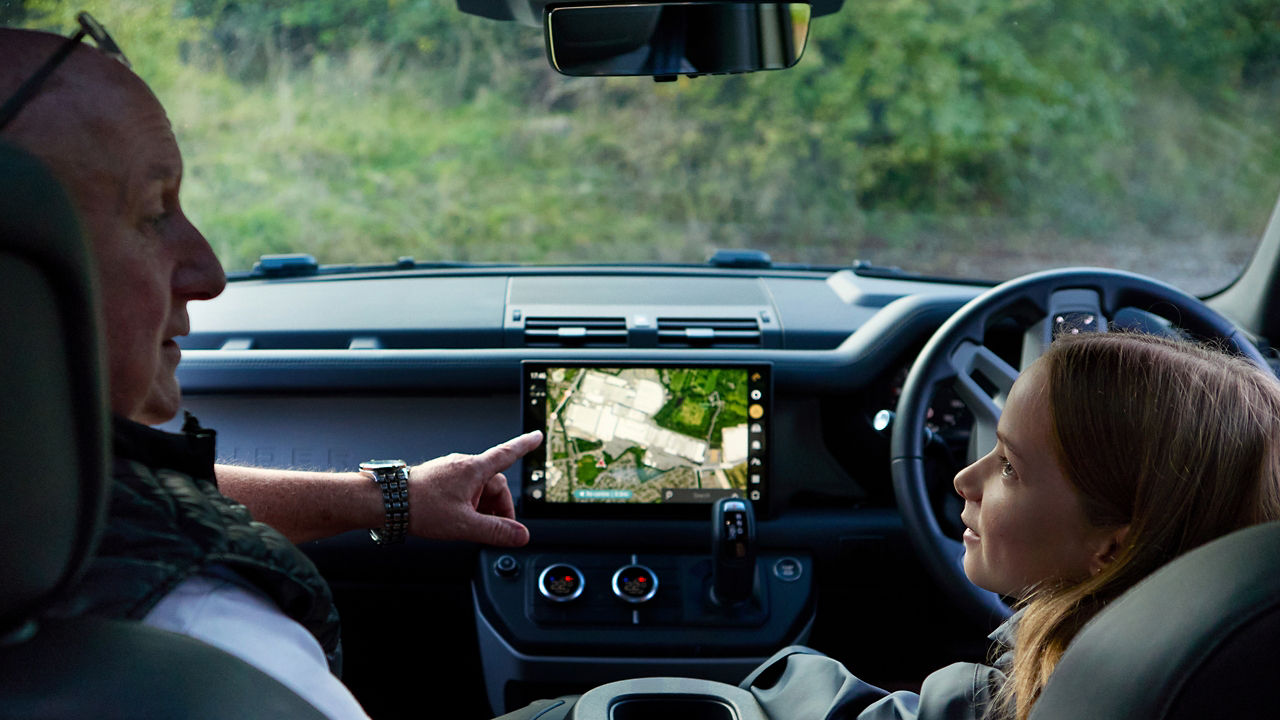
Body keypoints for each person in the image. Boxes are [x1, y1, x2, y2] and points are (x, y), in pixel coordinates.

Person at [0, 25, 540, 719]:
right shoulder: (207, 640)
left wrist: (389, 497)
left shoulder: (38, 492)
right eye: (154, 212)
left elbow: (111, 489)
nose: (210, 273)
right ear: (17, 272)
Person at [734, 331, 1280, 720]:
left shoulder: (1035, 700)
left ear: (1114, 549)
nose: (963, 479)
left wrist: (776, 678)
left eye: (1010, 467)